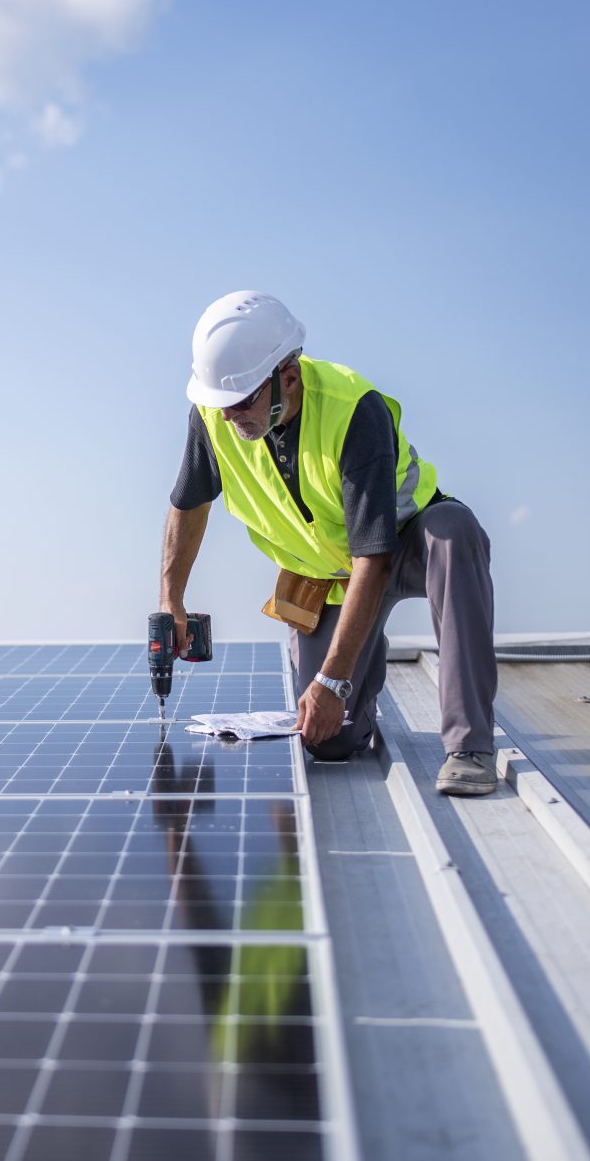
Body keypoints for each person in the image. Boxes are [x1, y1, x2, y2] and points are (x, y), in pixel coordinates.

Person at [158, 291, 498, 796]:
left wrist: (334, 681)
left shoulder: (353, 409)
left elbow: (374, 556)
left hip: (403, 546)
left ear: (288, 377)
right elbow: (189, 504)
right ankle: (362, 670)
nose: (229, 417)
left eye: (241, 401)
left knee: (455, 534)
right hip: (325, 577)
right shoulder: (214, 417)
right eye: (219, 404)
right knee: (329, 741)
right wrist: (172, 599)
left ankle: (470, 746)